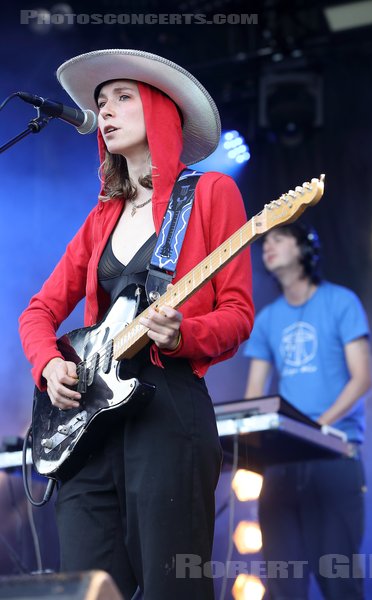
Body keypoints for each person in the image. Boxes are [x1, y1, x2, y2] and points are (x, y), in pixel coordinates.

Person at [19, 49, 254, 600]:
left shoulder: (212, 194)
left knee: (175, 590)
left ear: (160, 110)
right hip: (91, 427)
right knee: (87, 587)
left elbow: (238, 314)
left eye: (123, 97)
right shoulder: (101, 216)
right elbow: (38, 311)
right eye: (101, 101)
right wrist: (49, 363)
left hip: (167, 413)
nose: (106, 110)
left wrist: (183, 335)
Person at [244, 222, 371, 600]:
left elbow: (361, 379)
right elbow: (254, 394)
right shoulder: (266, 319)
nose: (268, 246)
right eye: (264, 241)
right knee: (283, 584)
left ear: (305, 250)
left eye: (279, 239)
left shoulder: (341, 302)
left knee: (339, 580)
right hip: (282, 464)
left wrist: (314, 428)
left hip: (334, 456)